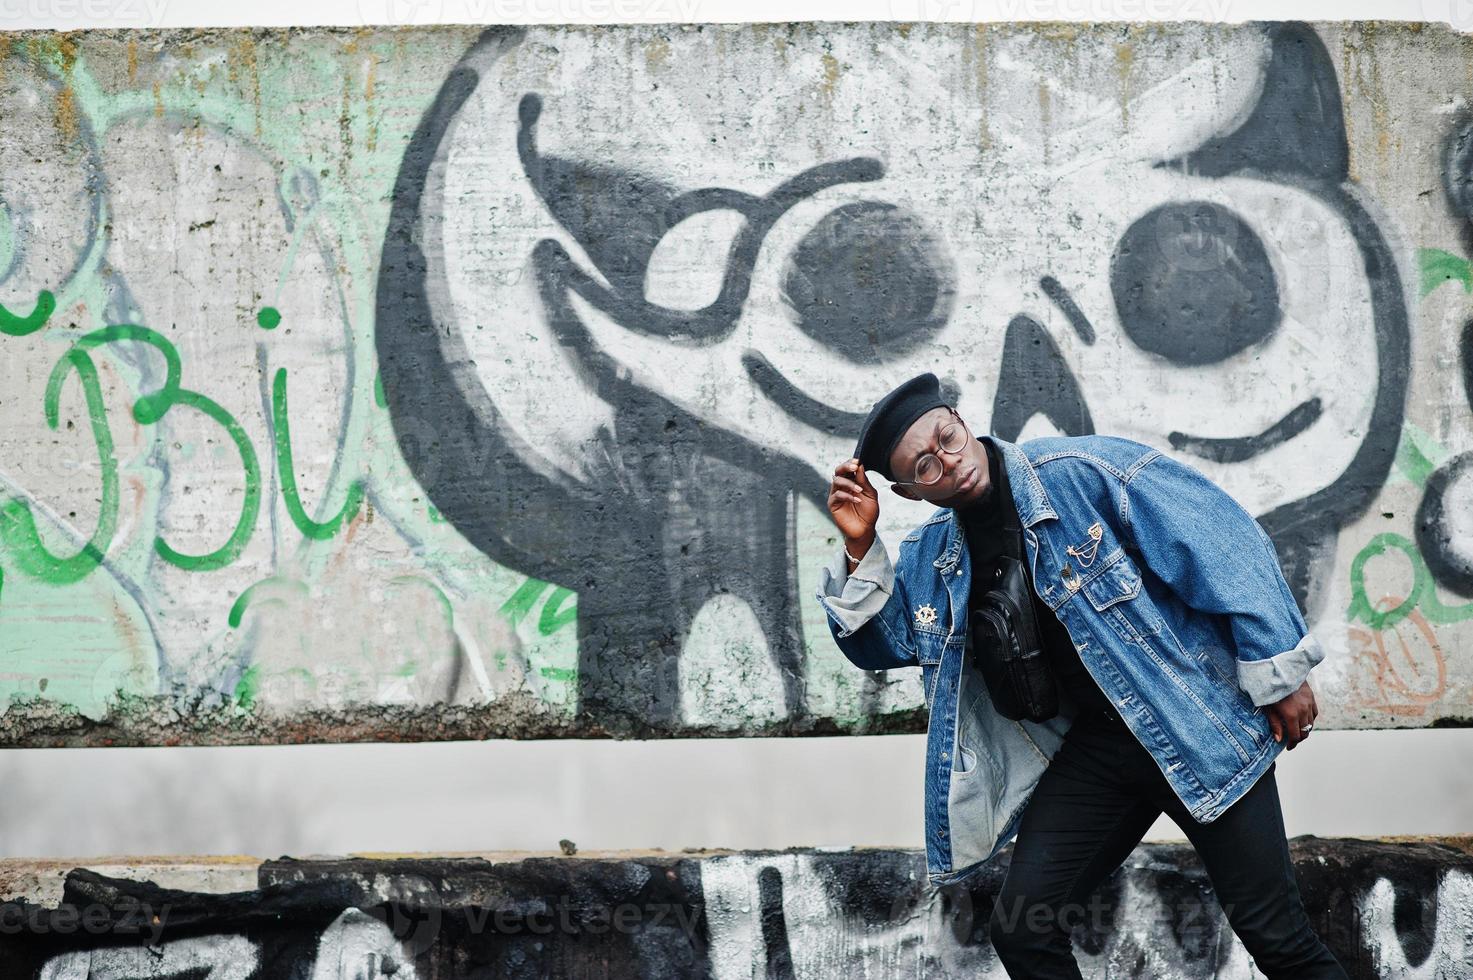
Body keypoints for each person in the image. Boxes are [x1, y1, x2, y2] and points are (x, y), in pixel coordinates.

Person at [816, 373, 1349, 979]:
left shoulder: (1085, 473)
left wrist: (1280, 671)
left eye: (948, 437)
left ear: (961, 420)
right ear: (909, 492)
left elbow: (1220, 541)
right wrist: (860, 546)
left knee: (1277, 938)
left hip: (1195, 727)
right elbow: (884, 643)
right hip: (1101, 752)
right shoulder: (937, 555)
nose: (950, 463)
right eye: (926, 467)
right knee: (1022, 931)